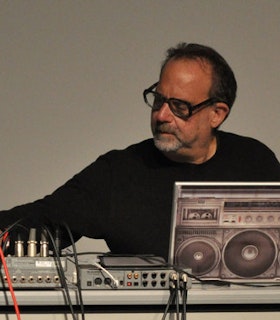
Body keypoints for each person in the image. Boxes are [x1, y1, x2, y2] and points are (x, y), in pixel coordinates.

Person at [1, 43, 280, 260]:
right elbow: (39, 221)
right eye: (158, 100)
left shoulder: (255, 162)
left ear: (217, 114)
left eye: (179, 106)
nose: (161, 115)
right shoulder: (117, 172)